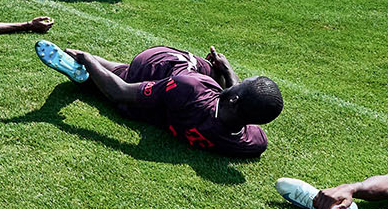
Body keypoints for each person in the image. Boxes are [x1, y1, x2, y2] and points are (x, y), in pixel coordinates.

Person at [33, 41, 279, 157]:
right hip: (162, 112)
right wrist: (228, 72)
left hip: (148, 91)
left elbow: (120, 91)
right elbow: (242, 110)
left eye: (242, 82)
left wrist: (87, 58)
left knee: (132, 72)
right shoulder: (251, 143)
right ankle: (91, 75)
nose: (239, 79)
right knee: (212, 73)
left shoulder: (192, 87)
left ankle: (88, 70)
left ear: (235, 100)